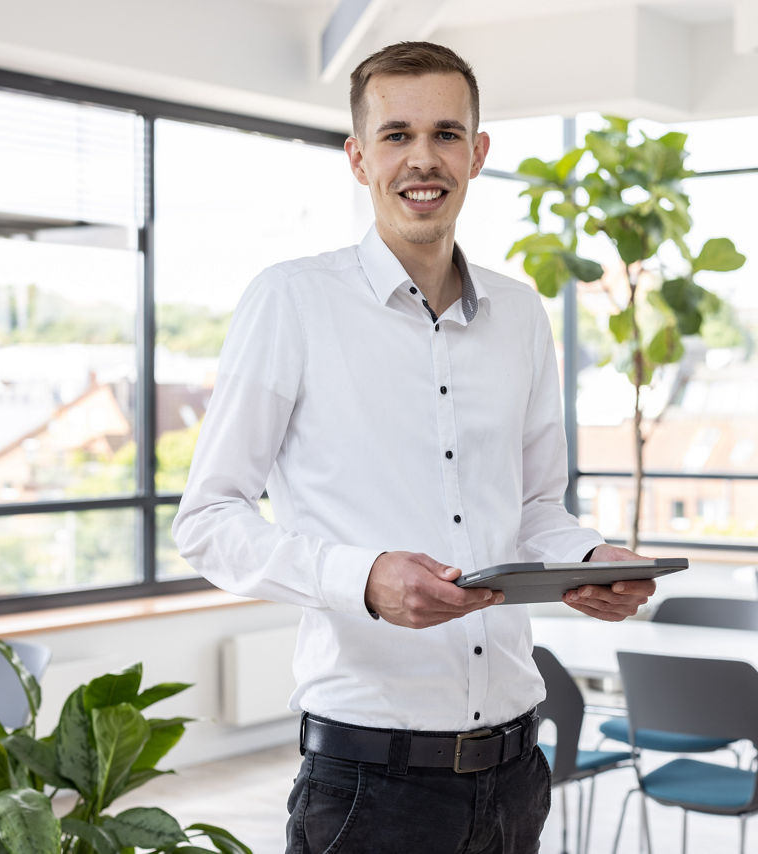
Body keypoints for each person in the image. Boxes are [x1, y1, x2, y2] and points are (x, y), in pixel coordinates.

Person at [173, 40, 656, 854]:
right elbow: (209, 519)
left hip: (515, 773)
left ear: (479, 152)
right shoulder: (292, 302)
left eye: (445, 133)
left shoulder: (522, 315)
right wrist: (362, 579)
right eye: (396, 135)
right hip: (369, 787)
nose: (422, 159)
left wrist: (587, 558)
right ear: (358, 159)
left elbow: (536, 507)